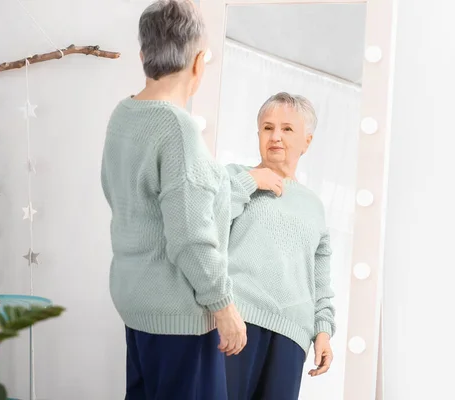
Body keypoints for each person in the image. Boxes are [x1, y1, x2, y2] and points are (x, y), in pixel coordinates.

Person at [100, 1, 246, 398]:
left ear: (144, 55)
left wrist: (243, 182)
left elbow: (141, 196)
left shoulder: (124, 114)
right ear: (199, 63)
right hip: (177, 314)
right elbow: (189, 237)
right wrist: (225, 306)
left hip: (136, 300)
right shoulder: (177, 128)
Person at [224, 92, 336, 400]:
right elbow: (205, 229)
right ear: (258, 133)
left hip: (292, 335)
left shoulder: (314, 206)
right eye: (267, 128)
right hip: (237, 320)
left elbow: (320, 280)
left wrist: (322, 330)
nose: (276, 137)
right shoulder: (234, 177)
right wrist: (250, 182)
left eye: (287, 129)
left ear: (307, 141)